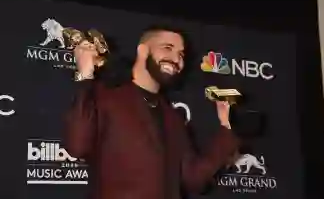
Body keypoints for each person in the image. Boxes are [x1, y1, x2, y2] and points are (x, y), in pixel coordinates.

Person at [64, 25, 241, 199]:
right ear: (143, 51)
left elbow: (193, 179)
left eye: (181, 54)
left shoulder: (172, 117)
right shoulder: (106, 96)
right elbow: (77, 146)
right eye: (167, 48)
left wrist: (226, 127)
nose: (176, 59)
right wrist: (85, 75)